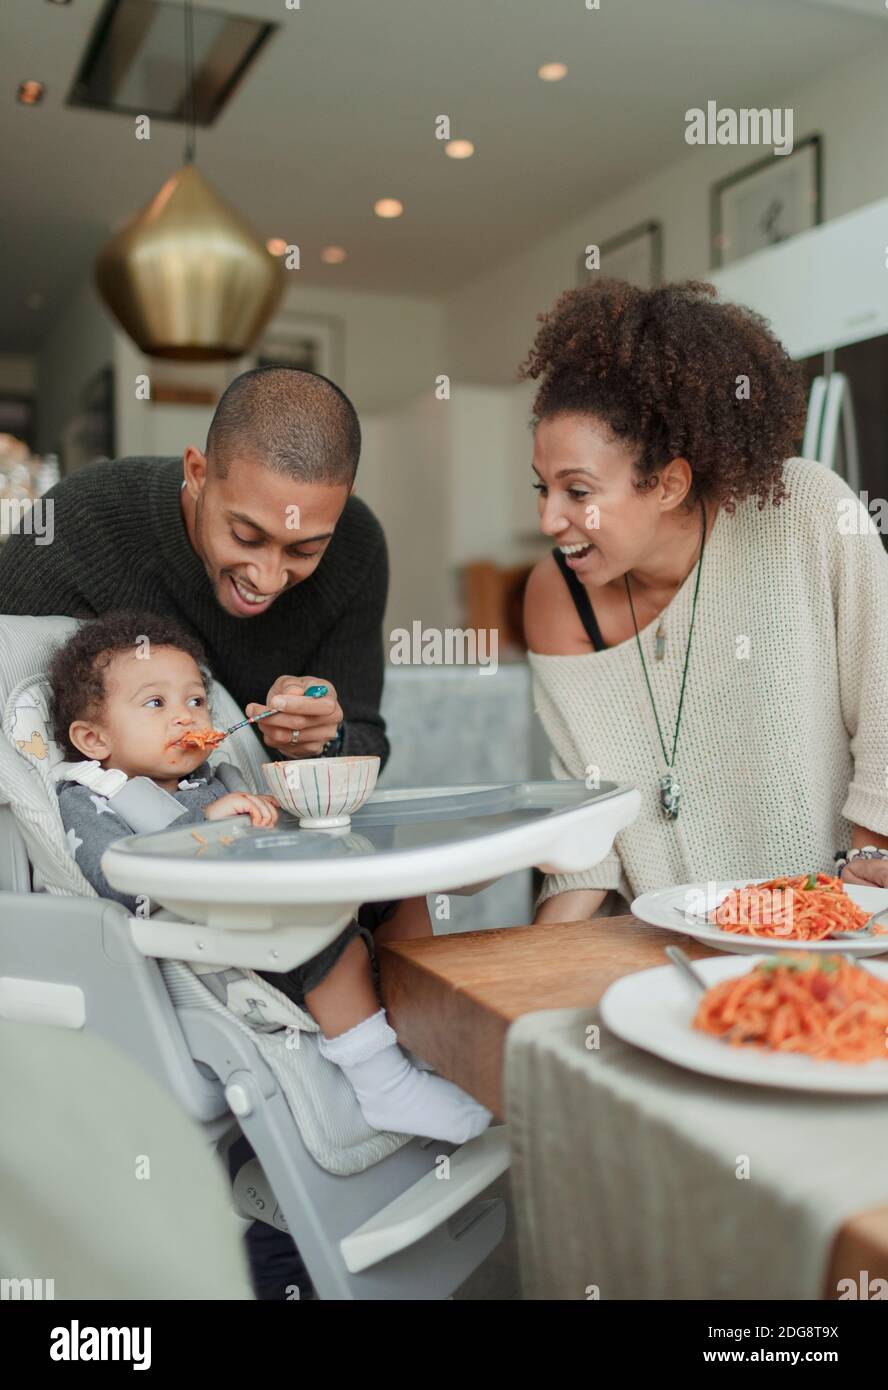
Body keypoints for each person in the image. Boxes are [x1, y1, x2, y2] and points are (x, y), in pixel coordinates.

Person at [0, 366, 391, 1299]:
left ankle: (360, 1165)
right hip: (118, 884)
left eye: (303, 552)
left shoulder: (359, 550)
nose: (267, 576)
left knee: (395, 901)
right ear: (195, 474)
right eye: (244, 535)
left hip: (267, 848)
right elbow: (14, 698)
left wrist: (325, 732)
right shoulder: (88, 521)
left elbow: (368, 738)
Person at [520, 278, 888, 922]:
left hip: (832, 935)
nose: (550, 518)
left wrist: (847, 904)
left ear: (667, 484)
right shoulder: (557, 594)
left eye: (577, 492)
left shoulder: (805, 512)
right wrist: (530, 981)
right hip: (658, 951)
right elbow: (587, 837)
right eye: (542, 488)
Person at [48, 612, 492, 1145]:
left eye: (195, 701)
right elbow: (113, 875)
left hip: (281, 901)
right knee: (328, 940)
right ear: (93, 739)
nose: (187, 718)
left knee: (404, 893)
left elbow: (283, 836)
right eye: (156, 704)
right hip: (222, 942)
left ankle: (424, 1036)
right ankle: (386, 1086)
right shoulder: (92, 797)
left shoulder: (217, 778)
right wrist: (202, 825)